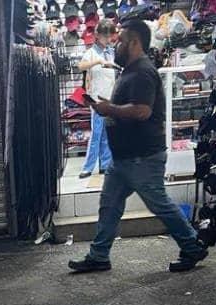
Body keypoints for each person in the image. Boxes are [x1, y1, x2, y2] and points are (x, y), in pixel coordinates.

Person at [69, 19, 208, 273]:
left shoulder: (143, 71)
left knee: (159, 204)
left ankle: (192, 246)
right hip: (125, 159)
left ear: (134, 42)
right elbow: (131, 107)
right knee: (109, 204)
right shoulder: (130, 71)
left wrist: (108, 108)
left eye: (120, 40)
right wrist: (109, 107)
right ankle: (99, 256)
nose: (116, 44)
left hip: (142, 158)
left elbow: (142, 111)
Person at [77, 20, 117, 179]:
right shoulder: (91, 53)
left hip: (110, 99)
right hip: (97, 100)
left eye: (110, 36)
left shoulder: (111, 52)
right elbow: (81, 66)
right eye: (106, 36)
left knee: (107, 134)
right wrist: (99, 61)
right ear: (98, 35)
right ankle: (88, 167)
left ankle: (105, 165)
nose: (108, 39)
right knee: (96, 134)